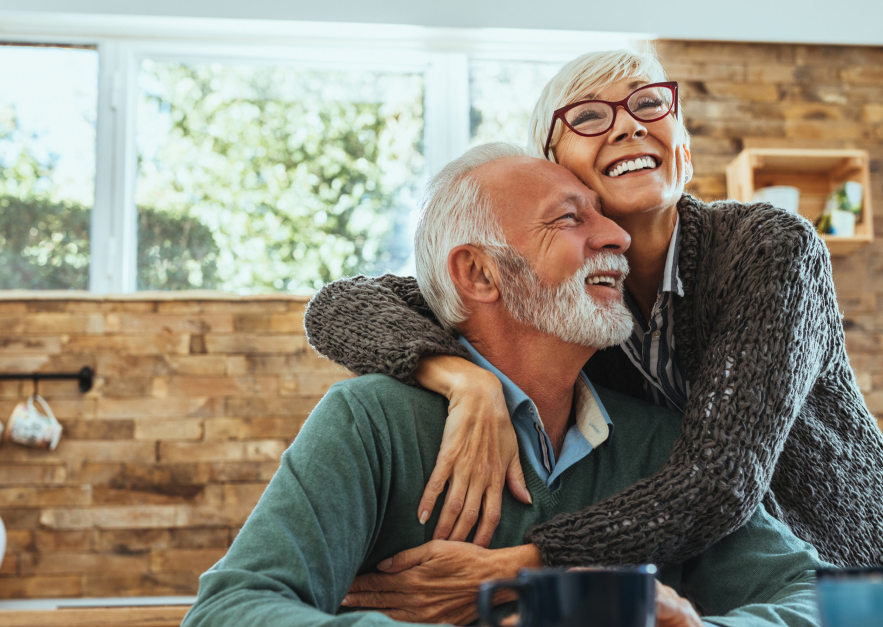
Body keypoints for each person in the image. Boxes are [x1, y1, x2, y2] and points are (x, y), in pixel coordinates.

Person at [304, 49, 883, 594]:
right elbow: (340, 305)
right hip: (719, 584)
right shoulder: (568, 298)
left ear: (684, 152)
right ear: (552, 168)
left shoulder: (769, 249)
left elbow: (719, 479)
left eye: (649, 105)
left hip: (858, 570)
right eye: (587, 116)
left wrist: (525, 565)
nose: (629, 127)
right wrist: (464, 380)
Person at [182, 143, 827, 627]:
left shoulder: (659, 441)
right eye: (571, 219)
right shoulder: (370, 422)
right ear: (480, 274)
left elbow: (816, 600)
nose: (617, 237)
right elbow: (229, 611)